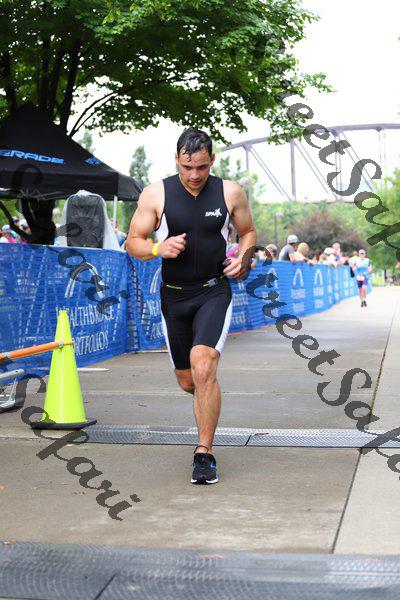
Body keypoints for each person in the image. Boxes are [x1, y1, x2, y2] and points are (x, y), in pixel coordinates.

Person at [126, 128, 257, 484]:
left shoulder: (230, 192)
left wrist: (244, 259)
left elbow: (248, 232)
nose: (195, 175)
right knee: (189, 382)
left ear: (212, 160)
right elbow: (133, 242)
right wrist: (158, 248)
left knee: (203, 366)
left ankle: (204, 454)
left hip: (214, 291)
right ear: (176, 160)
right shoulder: (157, 193)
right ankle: (205, 394)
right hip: (174, 296)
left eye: (201, 166)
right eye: (187, 167)